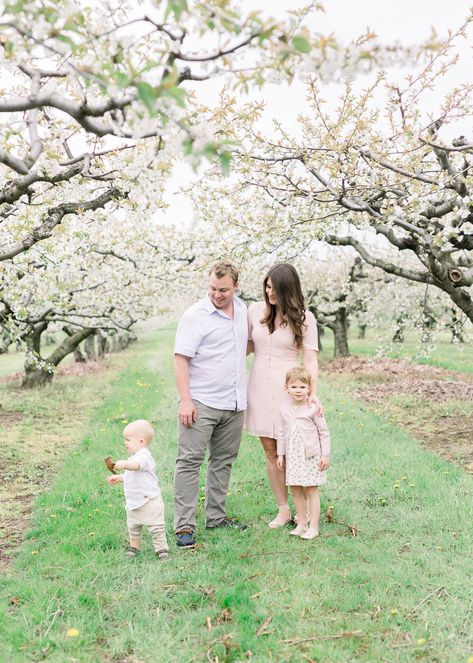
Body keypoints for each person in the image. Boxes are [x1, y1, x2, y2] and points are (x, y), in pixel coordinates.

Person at [173, 261, 248, 548]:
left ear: (236, 287)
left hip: (234, 401)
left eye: (224, 290)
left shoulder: (242, 311)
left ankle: (216, 517)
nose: (217, 294)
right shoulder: (195, 315)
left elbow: (246, 345)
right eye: (213, 289)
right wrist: (186, 400)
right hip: (202, 402)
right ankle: (184, 527)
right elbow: (181, 359)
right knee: (189, 462)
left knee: (223, 461)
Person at [246, 263, 319, 528]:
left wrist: (311, 393)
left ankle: (306, 509)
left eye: (275, 288)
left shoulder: (304, 318)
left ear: (288, 289)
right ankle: (283, 509)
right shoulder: (255, 311)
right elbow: (245, 346)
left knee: (294, 449)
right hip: (259, 385)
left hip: (290, 387)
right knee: (270, 449)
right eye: (266, 286)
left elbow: (310, 358)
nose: (269, 292)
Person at [276, 367, 330, 539]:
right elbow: (281, 434)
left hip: (311, 456)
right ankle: (301, 523)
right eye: (293, 387)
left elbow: (324, 432)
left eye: (302, 387)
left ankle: (313, 526)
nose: (298, 391)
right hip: (293, 457)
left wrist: (325, 455)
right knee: (296, 490)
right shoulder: (284, 409)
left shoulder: (313, 409)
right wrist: (280, 454)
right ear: (286, 388)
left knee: (312, 489)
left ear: (309, 388)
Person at [106, 419, 169, 560]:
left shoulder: (144, 456)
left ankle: (161, 549)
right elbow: (133, 475)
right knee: (133, 527)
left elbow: (136, 466)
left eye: (127, 440)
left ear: (141, 441)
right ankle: (134, 547)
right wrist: (120, 477)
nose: (125, 443)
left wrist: (125, 464)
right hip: (134, 501)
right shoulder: (135, 457)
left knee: (156, 527)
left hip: (149, 501)